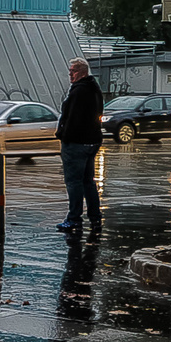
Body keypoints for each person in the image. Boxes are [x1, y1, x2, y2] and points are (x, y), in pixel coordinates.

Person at [55, 56, 104, 233]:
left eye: (73, 71)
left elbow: (72, 118)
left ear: (82, 72)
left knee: (74, 182)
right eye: (70, 71)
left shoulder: (78, 91)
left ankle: (74, 218)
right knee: (87, 181)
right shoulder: (94, 89)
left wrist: (63, 135)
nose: (70, 75)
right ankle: (95, 216)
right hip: (92, 141)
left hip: (76, 142)